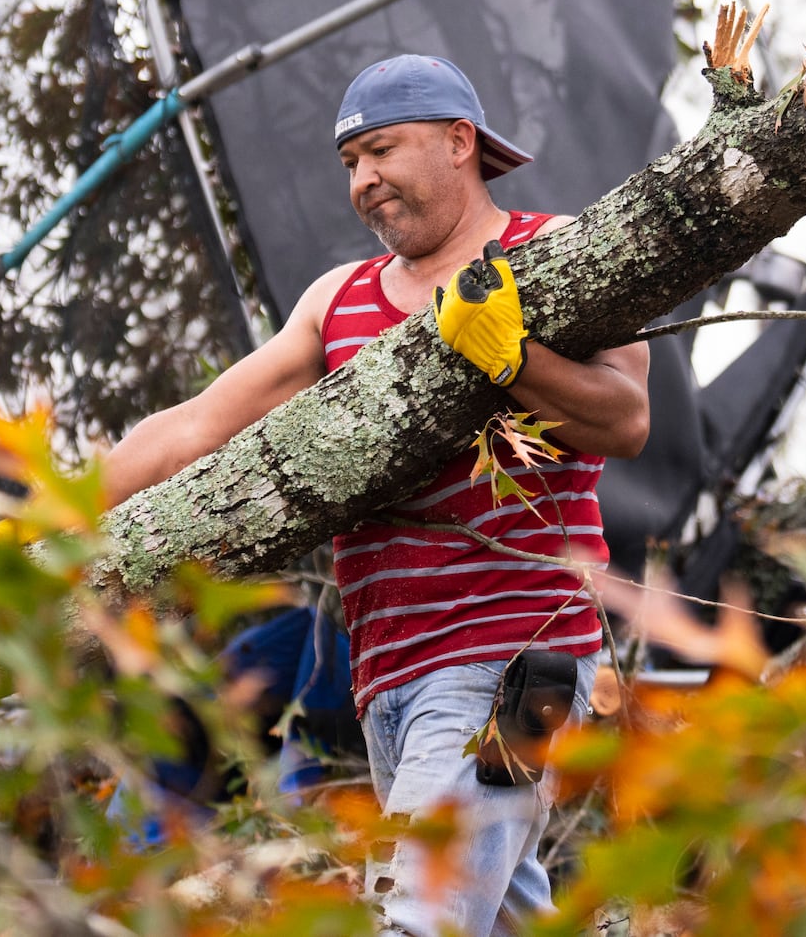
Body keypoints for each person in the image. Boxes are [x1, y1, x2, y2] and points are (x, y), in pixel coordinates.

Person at [103, 53, 651, 936]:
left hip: (518, 663)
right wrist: (50, 511)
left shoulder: (556, 254)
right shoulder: (340, 301)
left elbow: (626, 420)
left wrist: (513, 359)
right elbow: (196, 425)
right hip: (386, 682)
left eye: (382, 151)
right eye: (351, 162)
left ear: (459, 141)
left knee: (421, 919)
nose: (364, 180)